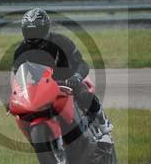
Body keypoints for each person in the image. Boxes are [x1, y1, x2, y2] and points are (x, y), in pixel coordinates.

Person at [12, 8, 112, 136]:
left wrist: (76, 77)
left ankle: (102, 121)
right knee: (25, 114)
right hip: (41, 87)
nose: (33, 35)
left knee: (84, 95)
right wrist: (17, 96)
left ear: (46, 29)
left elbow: (82, 64)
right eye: (29, 31)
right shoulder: (21, 51)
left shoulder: (62, 42)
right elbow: (18, 77)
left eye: (37, 30)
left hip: (68, 82)